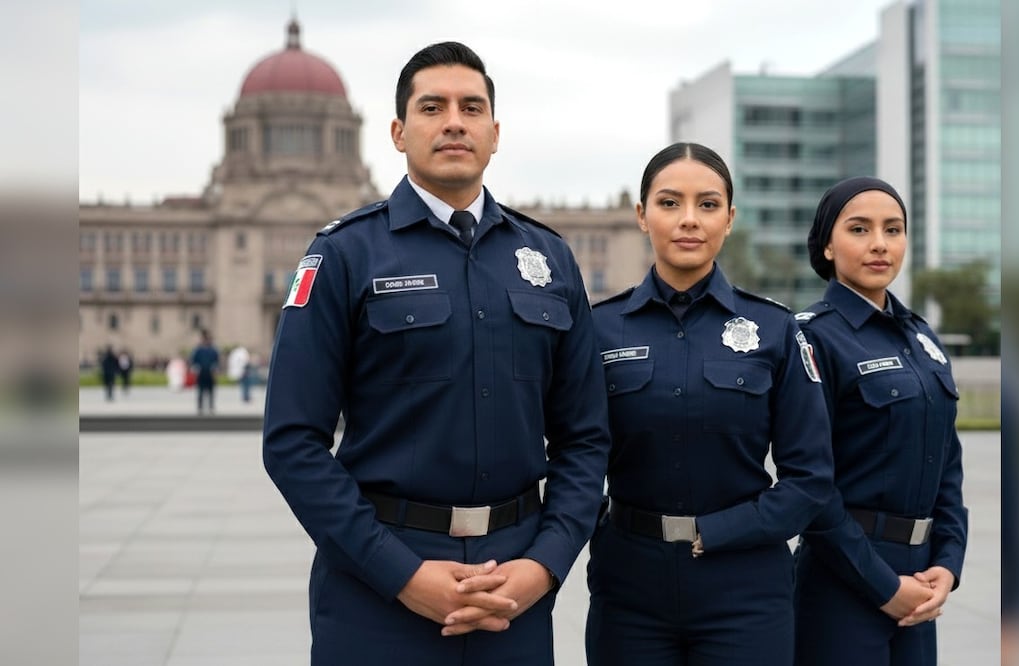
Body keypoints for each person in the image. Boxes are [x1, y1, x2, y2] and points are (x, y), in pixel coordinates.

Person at [262, 41, 610, 666]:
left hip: (516, 589)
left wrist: (545, 565)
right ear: (398, 131)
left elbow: (585, 438)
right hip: (379, 589)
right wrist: (399, 573)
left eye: (471, 107)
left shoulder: (549, 259)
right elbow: (291, 441)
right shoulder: (343, 254)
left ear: (494, 133)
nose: (454, 120)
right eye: (433, 107)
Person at [585, 142, 834, 665]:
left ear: (729, 219)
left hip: (745, 586)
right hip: (630, 587)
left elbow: (809, 477)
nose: (689, 220)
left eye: (708, 204)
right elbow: (572, 453)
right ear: (642, 215)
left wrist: (721, 532)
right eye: (670, 203)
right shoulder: (599, 330)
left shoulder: (774, 329)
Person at [793, 177, 968, 665]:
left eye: (893, 230)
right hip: (843, 579)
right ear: (827, 244)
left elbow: (947, 469)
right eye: (859, 229)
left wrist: (947, 564)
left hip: (920, 583)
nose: (879, 244)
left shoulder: (921, 339)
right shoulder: (812, 338)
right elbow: (810, 484)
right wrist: (882, 584)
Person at [189, 330, 220, 414]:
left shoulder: (213, 350)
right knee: (201, 390)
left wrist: (215, 369)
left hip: (210, 373)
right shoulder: (198, 350)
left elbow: (216, 361)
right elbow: (194, 360)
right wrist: (195, 368)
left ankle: (211, 407)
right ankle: (200, 407)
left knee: (211, 391)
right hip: (201, 372)